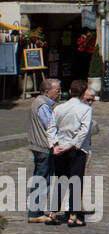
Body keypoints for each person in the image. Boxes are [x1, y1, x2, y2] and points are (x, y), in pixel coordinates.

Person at [45, 79, 95, 227]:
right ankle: (73, 216)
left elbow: (51, 129)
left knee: (60, 181)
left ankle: (53, 213)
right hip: (76, 150)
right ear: (83, 92)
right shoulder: (85, 109)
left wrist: (54, 145)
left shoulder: (59, 108)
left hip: (59, 149)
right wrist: (70, 146)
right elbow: (84, 131)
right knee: (76, 182)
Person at [27, 78, 60, 222]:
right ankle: (35, 213)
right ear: (47, 92)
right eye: (57, 90)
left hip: (39, 146)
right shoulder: (43, 105)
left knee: (41, 178)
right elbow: (50, 126)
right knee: (42, 179)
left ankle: (36, 210)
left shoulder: (42, 102)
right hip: (43, 147)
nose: (59, 93)